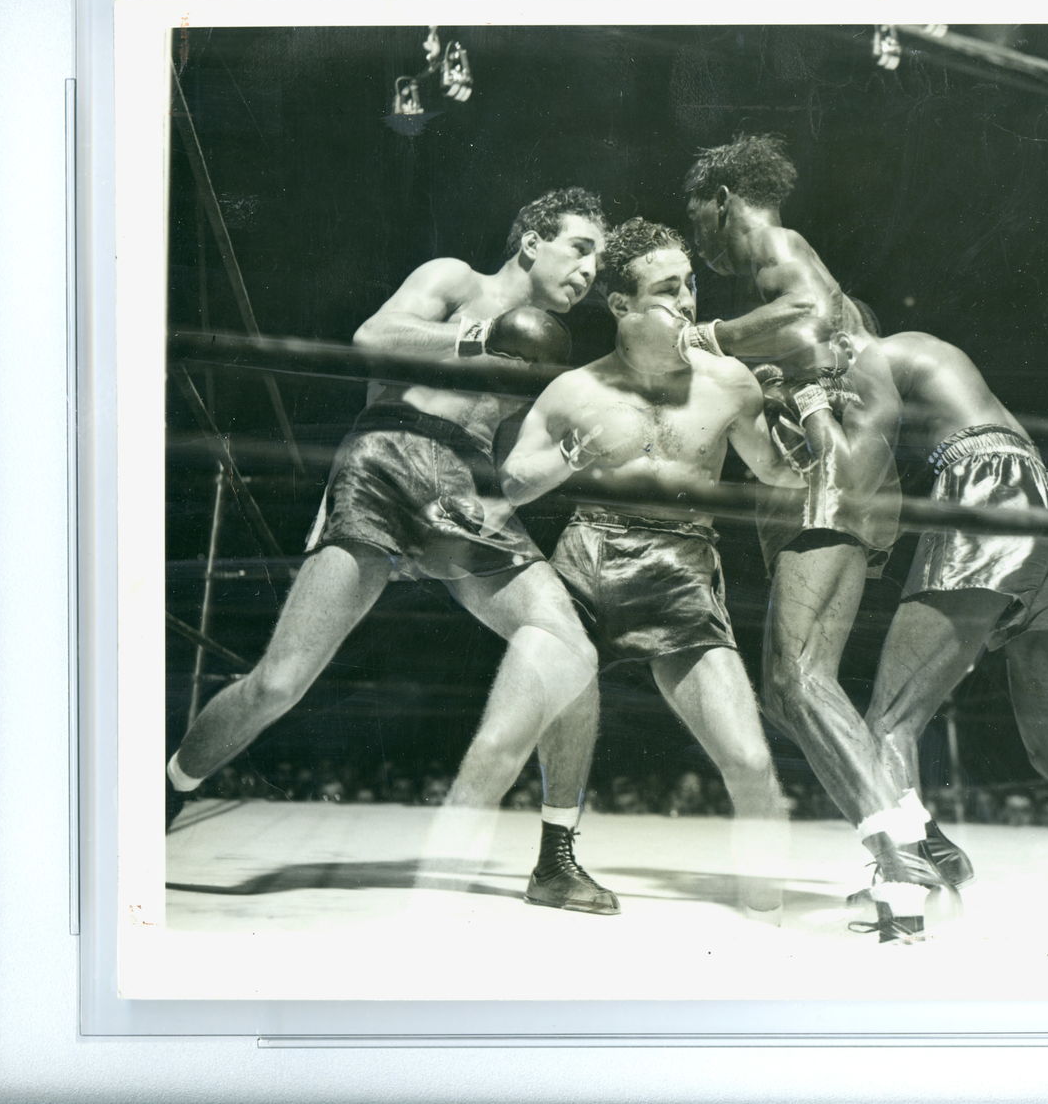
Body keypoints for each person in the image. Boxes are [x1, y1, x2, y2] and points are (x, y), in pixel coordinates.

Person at [164, 187, 620, 916]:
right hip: (384, 457)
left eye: (598, 257)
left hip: (466, 487)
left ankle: (555, 859)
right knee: (279, 681)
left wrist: (565, 456)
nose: (590, 269)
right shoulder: (455, 280)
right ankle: (171, 787)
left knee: (569, 647)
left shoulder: (549, 352)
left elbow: (506, 476)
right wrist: (480, 337)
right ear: (532, 239)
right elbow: (372, 338)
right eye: (581, 246)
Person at [682, 133, 954, 941]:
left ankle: (899, 860)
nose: (698, 236)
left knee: (797, 678)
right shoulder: (806, 280)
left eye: (697, 215)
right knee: (794, 686)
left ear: (723, 197)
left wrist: (712, 336)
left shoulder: (779, 247)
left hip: (829, 473)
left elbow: (805, 314)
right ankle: (910, 845)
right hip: (834, 476)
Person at [498, 217, 799, 916]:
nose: (688, 301)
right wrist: (570, 456)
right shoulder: (575, 389)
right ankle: (554, 860)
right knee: (564, 691)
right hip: (587, 552)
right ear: (622, 305)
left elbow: (779, 479)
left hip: (680, 562)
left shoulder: (728, 383)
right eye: (668, 289)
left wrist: (798, 419)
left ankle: (766, 915)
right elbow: (509, 484)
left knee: (751, 761)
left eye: (691, 285)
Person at [858, 325, 1048, 871]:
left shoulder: (876, 352)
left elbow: (859, 471)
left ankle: (911, 890)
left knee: (888, 724)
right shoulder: (936, 369)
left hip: (988, 489)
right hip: (1046, 506)